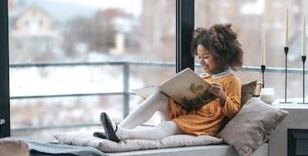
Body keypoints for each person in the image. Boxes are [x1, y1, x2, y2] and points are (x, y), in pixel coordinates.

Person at [99, 23, 243, 142]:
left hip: (202, 123)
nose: (201, 62)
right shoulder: (204, 77)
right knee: (158, 96)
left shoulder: (231, 80)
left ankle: (124, 135)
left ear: (222, 55)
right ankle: (117, 130)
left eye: (206, 56)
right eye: (199, 57)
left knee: (166, 127)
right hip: (186, 112)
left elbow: (235, 113)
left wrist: (223, 97)